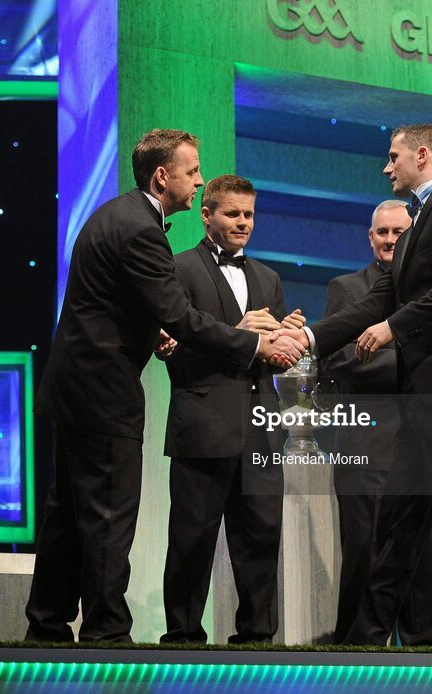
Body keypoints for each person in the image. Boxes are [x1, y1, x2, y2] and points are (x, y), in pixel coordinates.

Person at [25, 130, 304, 642]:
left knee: (67, 513)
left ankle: (46, 625)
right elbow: (177, 314)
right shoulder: (141, 229)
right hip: (103, 390)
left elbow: (131, 307)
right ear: (163, 176)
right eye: (193, 172)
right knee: (109, 515)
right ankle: (107, 632)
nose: (198, 181)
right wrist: (252, 344)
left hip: (78, 385)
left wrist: (159, 332)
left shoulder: (120, 215)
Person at [274, 124, 432, 648]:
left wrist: (394, 327)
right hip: (421, 394)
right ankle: (366, 635)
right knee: (400, 520)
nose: (387, 167)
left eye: (393, 157)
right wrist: (309, 336)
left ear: (422, 155)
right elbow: (373, 301)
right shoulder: (413, 229)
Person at [158, 174, 306, 644]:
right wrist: (240, 333)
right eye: (232, 214)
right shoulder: (177, 270)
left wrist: (288, 342)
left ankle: (259, 639)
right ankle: (182, 639)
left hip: (261, 426)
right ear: (207, 215)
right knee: (191, 541)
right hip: (202, 423)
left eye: (249, 215)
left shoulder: (269, 278)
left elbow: (275, 359)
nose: (243, 223)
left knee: (262, 539)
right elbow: (170, 351)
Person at [322, 199, 432, 646]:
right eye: (383, 232)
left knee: (430, 555)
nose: (391, 239)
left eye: (399, 232)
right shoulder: (348, 288)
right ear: (370, 236)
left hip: (427, 444)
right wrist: (420, 363)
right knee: (365, 550)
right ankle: (357, 651)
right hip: (367, 442)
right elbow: (339, 357)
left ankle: (425, 653)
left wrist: (389, 354)